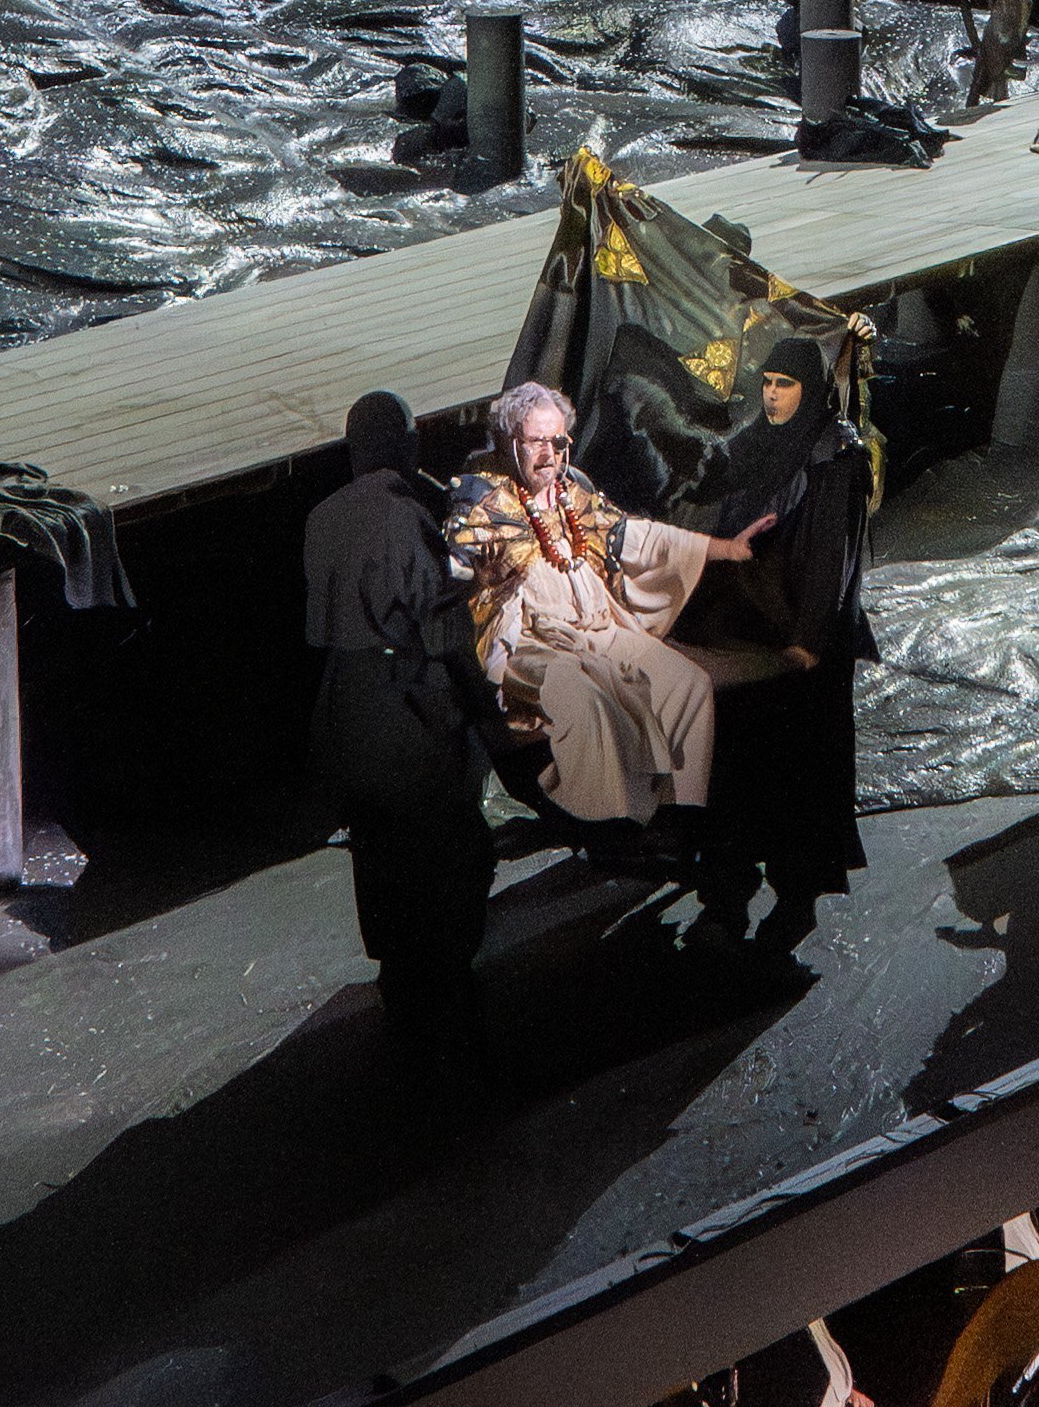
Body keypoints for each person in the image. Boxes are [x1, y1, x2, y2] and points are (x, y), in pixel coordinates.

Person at [450, 379, 759, 830]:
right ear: (510, 441)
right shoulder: (481, 499)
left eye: (557, 441)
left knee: (687, 683)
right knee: (586, 695)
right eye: (537, 442)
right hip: (529, 641)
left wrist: (726, 549)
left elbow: (636, 535)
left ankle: (685, 814)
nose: (549, 453)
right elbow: (451, 570)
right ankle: (614, 823)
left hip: (597, 628)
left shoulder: (571, 492)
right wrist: (479, 576)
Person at [304, 387, 504, 1066]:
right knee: (447, 847)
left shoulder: (322, 517)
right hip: (407, 708)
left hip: (344, 706)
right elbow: (440, 626)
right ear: (406, 444)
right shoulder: (404, 517)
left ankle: (398, 977)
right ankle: (445, 983)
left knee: (379, 849)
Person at [715, 330, 880, 933]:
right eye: (767, 382)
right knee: (743, 760)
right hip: (754, 628)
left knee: (805, 765)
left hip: (807, 640)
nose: (772, 395)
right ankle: (730, 884)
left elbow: (834, 556)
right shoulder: (753, 444)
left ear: (808, 389)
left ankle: (798, 894)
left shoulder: (835, 454)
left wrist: (810, 637)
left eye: (785, 385)